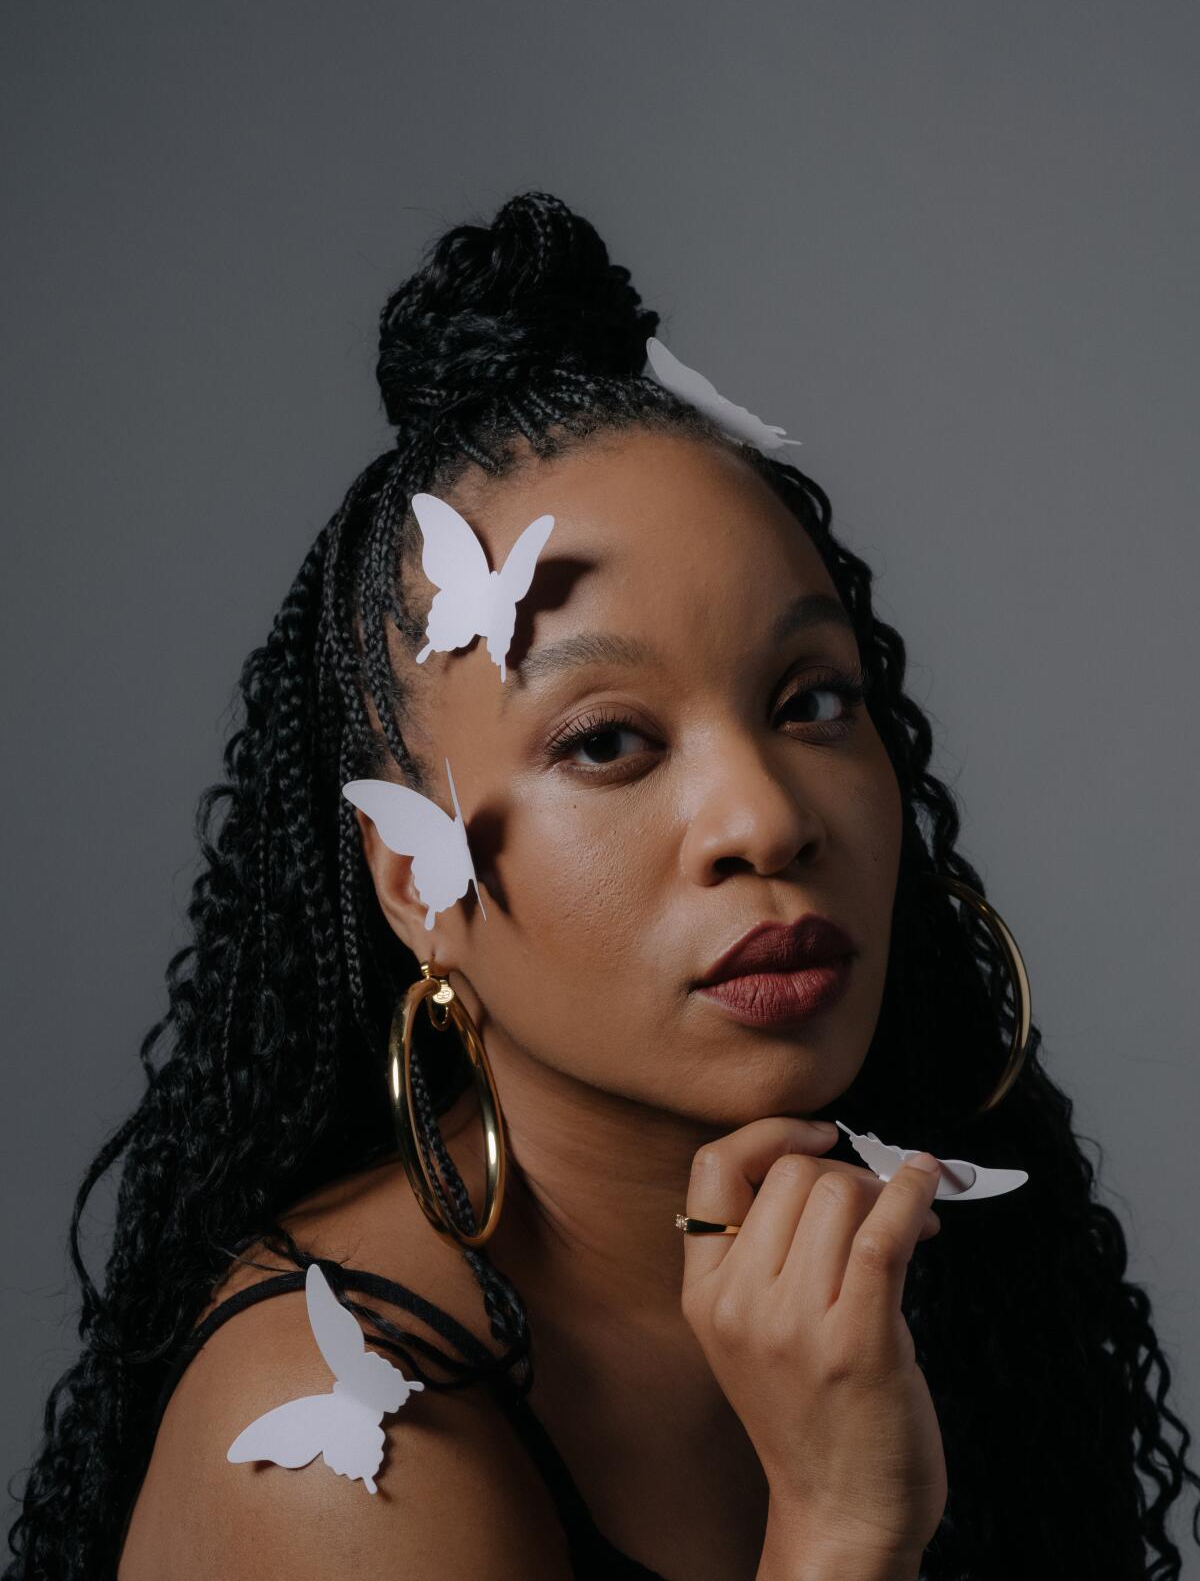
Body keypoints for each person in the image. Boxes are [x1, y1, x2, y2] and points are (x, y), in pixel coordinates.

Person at [6, 189, 1198, 1581]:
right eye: (610, 741)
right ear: (411, 879)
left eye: (813, 701)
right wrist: (840, 1530)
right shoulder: (345, 1472)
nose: (764, 816)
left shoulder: (904, 1267)